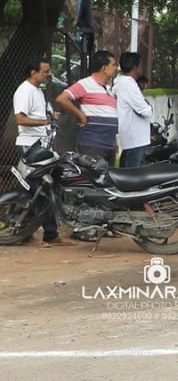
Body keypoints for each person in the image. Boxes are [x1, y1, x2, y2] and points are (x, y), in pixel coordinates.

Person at [13, 58, 61, 245]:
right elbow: (20, 119)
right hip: (29, 145)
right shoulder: (24, 91)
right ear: (33, 72)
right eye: (46, 71)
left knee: (40, 188)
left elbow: (41, 115)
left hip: (40, 145)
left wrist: (50, 116)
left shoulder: (38, 91)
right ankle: (36, 233)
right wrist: (46, 122)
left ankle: (43, 232)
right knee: (36, 190)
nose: (49, 74)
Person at [56, 50, 119, 164]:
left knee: (108, 179)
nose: (116, 68)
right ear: (104, 68)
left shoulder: (110, 89)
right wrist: (81, 115)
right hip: (92, 144)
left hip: (109, 144)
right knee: (93, 179)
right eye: (113, 65)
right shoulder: (85, 84)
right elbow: (62, 99)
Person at [114, 52, 153, 168]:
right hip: (136, 140)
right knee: (133, 177)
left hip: (130, 138)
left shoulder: (120, 83)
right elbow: (145, 111)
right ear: (136, 68)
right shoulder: (129, 84)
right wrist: (149, 107)